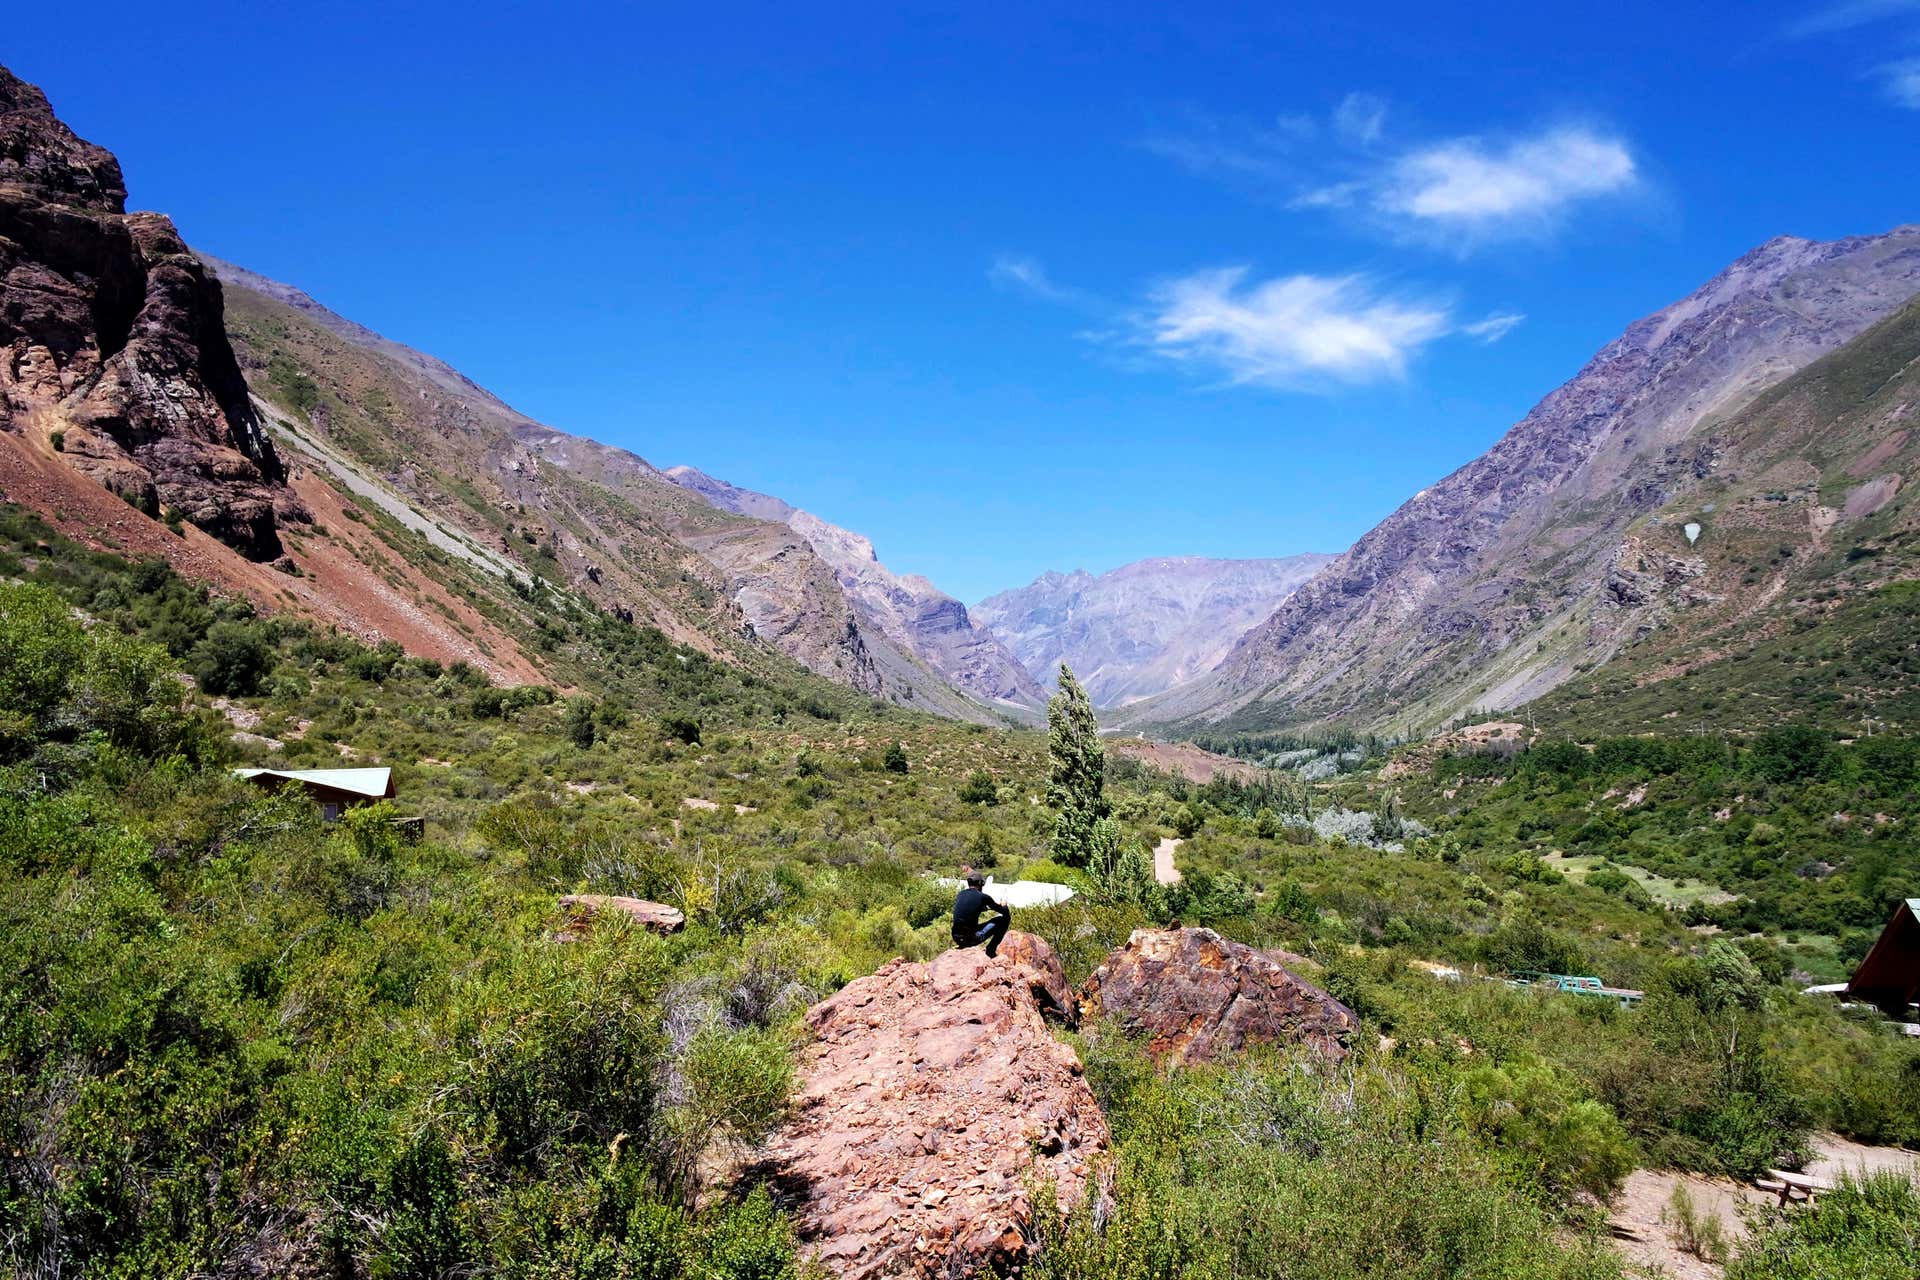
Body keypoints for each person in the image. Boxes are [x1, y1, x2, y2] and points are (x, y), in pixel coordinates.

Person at [950, 870, 1010, 957]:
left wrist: (983, 908)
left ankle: (963, 945)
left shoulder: (960, 894)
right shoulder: (983, 897)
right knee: (1003, 920)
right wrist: (1004, 905)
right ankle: (991, 950)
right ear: (980, 883)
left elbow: (968, 909)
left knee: (967, 926)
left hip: (956, 937)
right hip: (970, 938)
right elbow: (1004, 912)